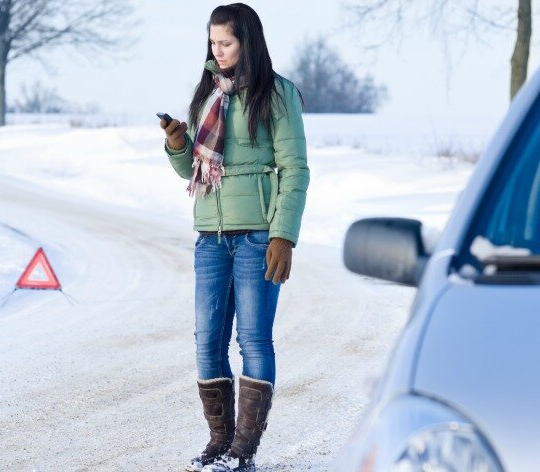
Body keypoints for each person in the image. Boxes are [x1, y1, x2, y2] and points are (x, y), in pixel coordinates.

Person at [159, 3, 309, 471]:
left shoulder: (278, 94)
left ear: (248, 41)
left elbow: (295, 169)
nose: (217, 51)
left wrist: (283, 235)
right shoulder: (209, 92)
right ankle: (218, 444)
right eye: (212, 43)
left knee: (254, 340)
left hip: (257, 235)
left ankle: (243, 452)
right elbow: (195, 170)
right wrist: (178, 144)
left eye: (225, 42)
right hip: (210, 235)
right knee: (207, 342)